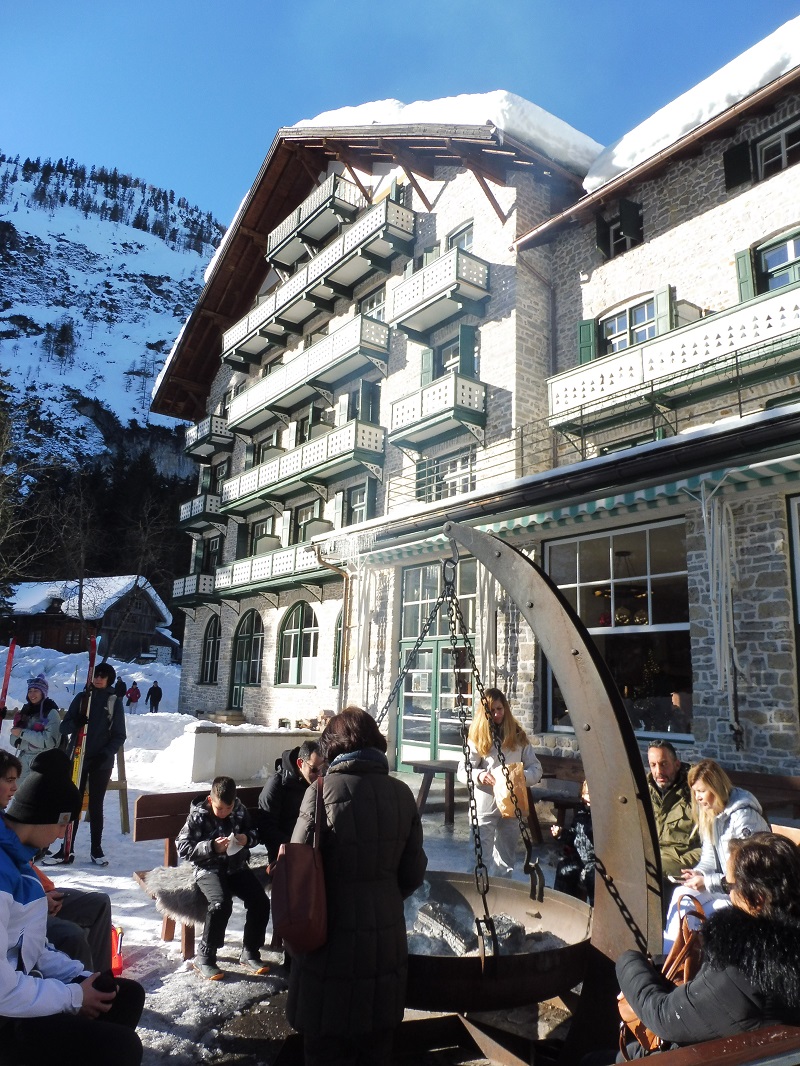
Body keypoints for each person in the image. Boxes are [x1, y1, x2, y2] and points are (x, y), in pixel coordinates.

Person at [286, 706, 427, 1066]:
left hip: (327, 941)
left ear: (333, 747)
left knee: (324, 1049)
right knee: (375, 1049)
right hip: (384, 942)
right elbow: (413, 873)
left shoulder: (320, 793)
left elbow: (297, 866)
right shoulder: (401, 793)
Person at [0, 748, 144, 1066]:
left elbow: (34, 949)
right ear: (48, 816)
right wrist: (74, 997)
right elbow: (3, 989)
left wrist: (82, 978)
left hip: (17, 993)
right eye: (65, 825)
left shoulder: (22, 865)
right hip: (5, 1012)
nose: (64, 834)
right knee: (122, 1048)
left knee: (124, 995)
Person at [616, 833, 800, 1057]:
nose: (727, 893)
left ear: (756, 899)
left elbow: (663, 1016)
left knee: (598, 1058)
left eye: (728, 884)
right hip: (767, 1054)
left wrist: (629, 961)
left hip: (709, 1057)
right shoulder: (779, 959)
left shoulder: (742, 970)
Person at [0, 750, 113, 972]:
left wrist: (41, 895)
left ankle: (99, 981)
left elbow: (22, 875)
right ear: (41, 819)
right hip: (19, 925)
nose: (62, 836)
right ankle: (89, 996)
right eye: (62, 825)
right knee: (71, 936)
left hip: (36, 899)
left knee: (98, 903)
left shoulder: (16, 844)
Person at [663, 757, 769, 948]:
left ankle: (689, 963)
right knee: (682, 895)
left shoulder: (744, 818)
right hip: (725, 887)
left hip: (746, 893)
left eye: (702, 791)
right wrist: (700, 873)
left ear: (716, 788)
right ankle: (670, 958)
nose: (697, 798)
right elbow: (708, 858)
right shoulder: (711, 814)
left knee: (708, 913)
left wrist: (707, 882)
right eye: (695, 792)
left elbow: (749, 874)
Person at [176, 775, 269, 980]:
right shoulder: (198, 816)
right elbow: (182, 847)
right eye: (219, 809)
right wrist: (211, 847)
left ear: (234, 802)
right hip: (207, 869)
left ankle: (250, 951)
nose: (224, 813)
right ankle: (205, 957)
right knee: (221, 903)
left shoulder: (239, 810)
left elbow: (254, 832)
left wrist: (247, 839)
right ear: (210, 800)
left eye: (228, 808)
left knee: (260, 901)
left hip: (236, 867)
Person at [456, 687, 543, 876]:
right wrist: (479, 775)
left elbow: (536, 769)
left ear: (505, 709)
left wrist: (520, 777)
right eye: (492, 710)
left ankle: (503, 897)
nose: (497, 714)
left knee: (506, 859)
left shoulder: (518, 735)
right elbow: (463, 770)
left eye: (500, 709)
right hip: (485, 803)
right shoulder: (477, 737)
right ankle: (477, 896)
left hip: (512, 804)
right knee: (479, 857)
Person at [58, 661, 126, 866]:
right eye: (95, 675)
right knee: (73, 803)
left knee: (96, 805)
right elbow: (64, 728)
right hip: (78, 758)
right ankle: (66, 847)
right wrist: (75, 722)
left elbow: (119, 735)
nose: (98, 679)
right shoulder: (81, 698)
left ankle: (96, 848)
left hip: (101, 763)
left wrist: (104, 755)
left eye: (102, 676)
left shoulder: (114, 701)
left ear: (109, 680)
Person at [646, 740, 701, 913]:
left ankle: (659, 935)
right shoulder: (644, 792)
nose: (658, 771)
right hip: (650, 855)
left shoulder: (695, 792)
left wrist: (689, 863)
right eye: (653, 765)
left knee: (652, 874)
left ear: (676, 764)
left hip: (681, 859)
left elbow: (707, 844)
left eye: (664, 764)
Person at [256, 740, 325, 863]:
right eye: (314, 769)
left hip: (313, 851)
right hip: (285, 854)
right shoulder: (277, 784)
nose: (320, 774)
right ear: (300, 763)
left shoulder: (319, 783)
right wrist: (294, 846)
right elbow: (266, 828)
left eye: (322, 768)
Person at [10, 674, 61, 779]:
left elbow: (49, 742)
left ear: (43, 692)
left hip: (43, 760)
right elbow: (14, 741)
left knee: (37, 793)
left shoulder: (50, 712)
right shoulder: (26, 711)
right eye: (30, 691)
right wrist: (30, 741)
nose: (32, 694)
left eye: (36, 691)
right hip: (24, 760)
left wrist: (22, 733)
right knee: (18, 793)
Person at [552, 780, 595, 905]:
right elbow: (572, 838)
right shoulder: (580, 815)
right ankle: (564, 904)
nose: (590, 797)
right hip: (579, 859)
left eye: (593, 794)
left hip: (594, 861)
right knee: (564, 868)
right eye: (587, 794)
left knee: (591, 876)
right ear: (582, 796)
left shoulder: (600, 816)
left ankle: (596, 909)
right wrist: (561, 834)